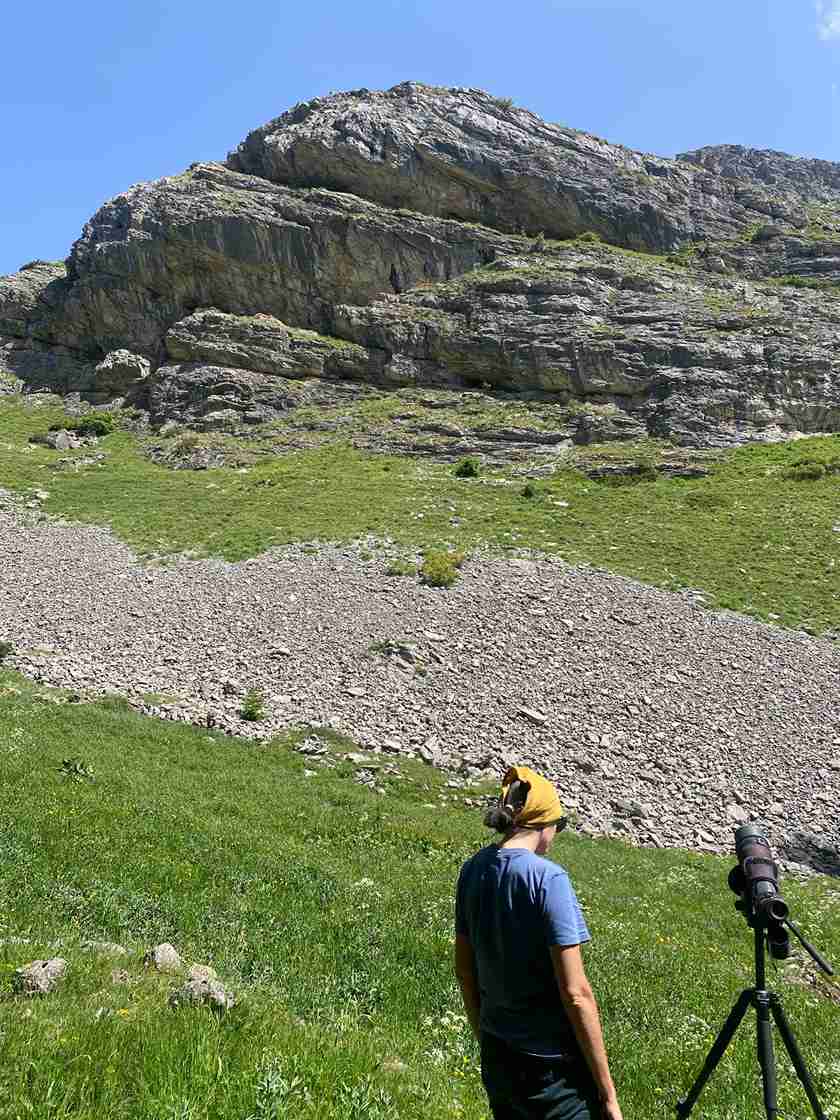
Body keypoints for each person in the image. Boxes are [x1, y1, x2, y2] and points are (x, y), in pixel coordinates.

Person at [454, 765, 623, 1120]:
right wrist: (608, 1095)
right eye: (558, 826)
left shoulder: (473, 868)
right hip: (551, 1070)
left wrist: (484, 1039)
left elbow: (465, 972)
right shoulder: (548, 878)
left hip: (498, 1054)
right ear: (544, 824)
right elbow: (576, 993)